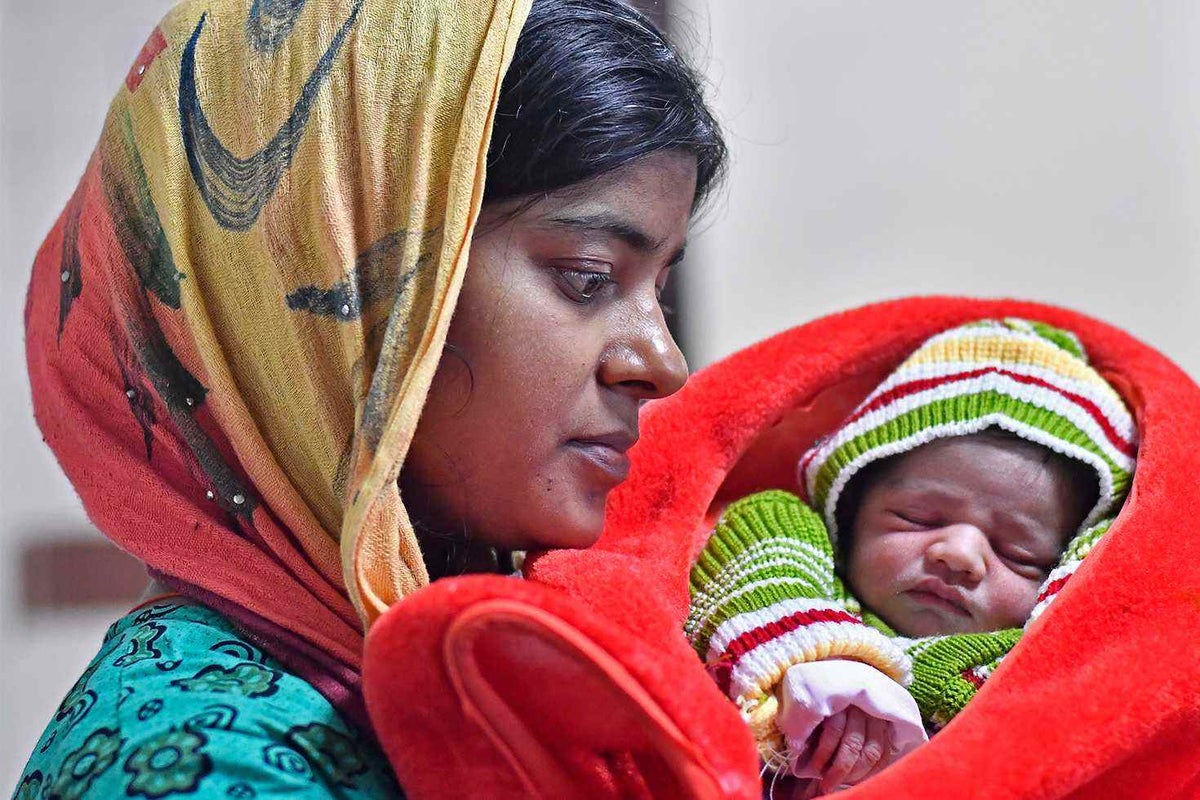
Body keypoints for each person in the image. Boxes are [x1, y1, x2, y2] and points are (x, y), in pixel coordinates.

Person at [15, 0, 726, 796]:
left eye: (660, 292)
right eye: (588, 277)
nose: (664, 362)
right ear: (328, 283)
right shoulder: (204, 767)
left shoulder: (501, 668)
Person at [686, 317, 1137, 797]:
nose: (960, 554)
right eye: (917, 518)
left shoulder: (1037, 671)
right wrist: (838, 666)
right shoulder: (796, 543)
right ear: (850, 506)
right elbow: (760, 570)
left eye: (1018, 554)